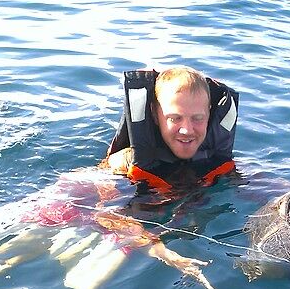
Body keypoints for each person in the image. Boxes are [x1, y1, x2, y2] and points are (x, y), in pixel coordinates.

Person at [100, 66, 239, 193]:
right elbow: (86, 195)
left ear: (209, 114)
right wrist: (114, 218)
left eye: (197, 118)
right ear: (155, 114)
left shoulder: (216, 158)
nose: (187, 130)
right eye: (175, 118)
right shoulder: (122, 163)